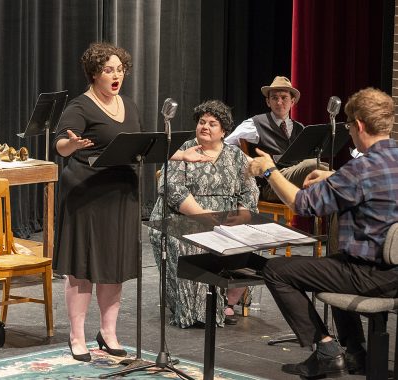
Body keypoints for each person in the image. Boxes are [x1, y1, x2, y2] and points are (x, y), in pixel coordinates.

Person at [247, 87, 398, 378]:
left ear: (360, 126)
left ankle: (327, 350)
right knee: (335, 262)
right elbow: (375, 185)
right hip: (393, 273)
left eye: (349, 127)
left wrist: (269, 171)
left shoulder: (360, 170)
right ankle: (356, 353)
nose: (350, 133)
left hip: (371, 275)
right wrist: (334, 176)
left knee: (277, 270)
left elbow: (301, 204)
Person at [52, 42, 140, 362]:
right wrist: (72, 144)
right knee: (82, 267)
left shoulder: (128, 105)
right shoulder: (80, 106)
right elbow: (61, 144)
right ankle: (77, 335)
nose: (116, 76)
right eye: (108, 70)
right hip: (87, 196)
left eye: (120, 70)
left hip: (120, 195)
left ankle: (108, 331)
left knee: (113, 266)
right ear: (94, 74)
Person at [149, 100, 259, 328]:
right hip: (184, 216)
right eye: (202, 122)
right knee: (192, 242)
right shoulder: (183, 150)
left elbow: (250, 190)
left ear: (224, 131)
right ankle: (192, 310)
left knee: (249, 241)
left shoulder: (236, 156)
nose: (205, 127)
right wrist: (202, 215)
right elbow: (172, 188)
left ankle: (227, 303)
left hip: (226, 217)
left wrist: (242, 216)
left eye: (212, 123)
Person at [226, 76, 325, 202]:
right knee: (312, 165)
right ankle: (349, 183)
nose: (279, 102)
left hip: (297, 182)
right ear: (268, 102)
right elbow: (226, 145)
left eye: (284, 97)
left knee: (327, 183)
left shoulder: (300, 129)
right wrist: (250, 161)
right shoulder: (255, 123)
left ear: (292, 101)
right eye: (274, 98)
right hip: (271, 184)